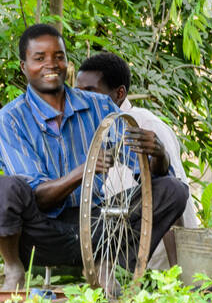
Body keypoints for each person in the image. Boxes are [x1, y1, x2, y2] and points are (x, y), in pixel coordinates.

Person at [0, 23, 189, 291]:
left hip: (96, 225)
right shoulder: (11, 119)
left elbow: (148, 176)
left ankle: (106, 261)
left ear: (67, 62)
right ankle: (14, 269)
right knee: (1, 187)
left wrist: (159, 155)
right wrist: (85, 170)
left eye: (58, 57)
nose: (51, 65)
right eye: (39, 58)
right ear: (23, 67)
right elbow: (37, 195)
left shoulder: (100, 106)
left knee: (173, 190)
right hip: (40, 233)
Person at [74, 51, 200, 270]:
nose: (80, 99)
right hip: (108, 238)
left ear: (119, 93)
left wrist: (176, 274)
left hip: (150, 258)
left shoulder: (147, 126)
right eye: (77, 92)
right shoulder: (85, 127)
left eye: (90, 92)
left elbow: (174, 200)